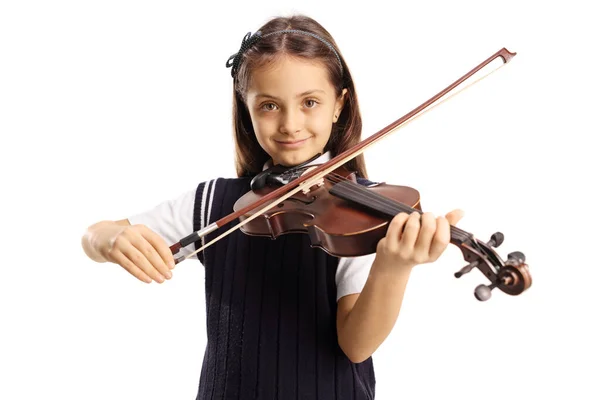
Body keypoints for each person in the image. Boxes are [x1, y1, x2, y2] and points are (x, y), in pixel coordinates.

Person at [81, 14, 463, 400]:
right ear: (246, 109)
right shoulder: (214, 201)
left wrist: (393, 267)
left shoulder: (362, 212)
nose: (290, 124)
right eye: (269, 106)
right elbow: (96, 234)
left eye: (310, 102)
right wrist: (110, 239)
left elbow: (356, 345)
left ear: (338, 105)